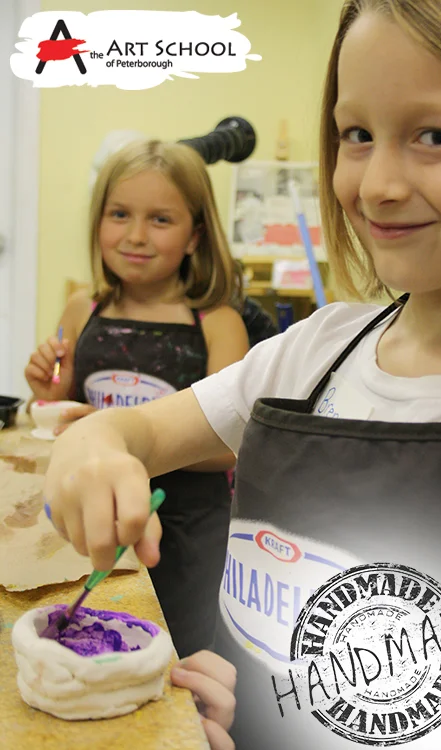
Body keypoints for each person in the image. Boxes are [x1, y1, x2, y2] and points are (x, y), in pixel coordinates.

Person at [41, 0, 441, 746]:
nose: (377, 185)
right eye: (357, 135)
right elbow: (137, 431)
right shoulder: (315, 350)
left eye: (436, 136)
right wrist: (94, 447)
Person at [25, 140, 249, 659]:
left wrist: (120, 433)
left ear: (195, 236)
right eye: (119, 214)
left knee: (174, 656)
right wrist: (50, 393)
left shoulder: (218, 323)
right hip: (95, 526)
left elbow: (231, 444)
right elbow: (67, 403)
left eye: (160, 220)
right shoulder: (82, 308)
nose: (136, 236)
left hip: (189, 536)